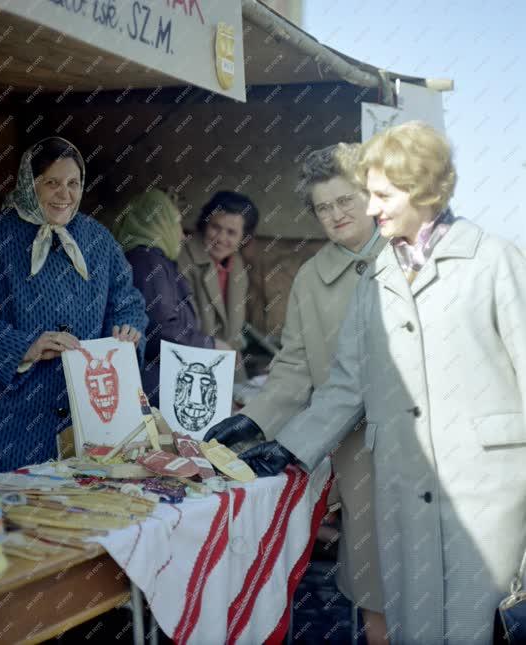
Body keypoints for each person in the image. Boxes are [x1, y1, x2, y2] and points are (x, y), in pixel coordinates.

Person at [235, 121, 526, 644]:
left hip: (487, 495)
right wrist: (286, 447)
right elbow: (348, 382)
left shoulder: (496, 262)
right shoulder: (380, 278)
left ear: (420, 189)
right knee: (408, 625)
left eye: (378, 195)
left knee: (478, 627)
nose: (367, 210)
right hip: (398, 487)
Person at [204, 144, 388, 643]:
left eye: (345, 200)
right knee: (375, 592)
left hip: (424, 450)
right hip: (356, 456)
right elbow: (293, 371)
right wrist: (254, 421)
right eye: (324, 208)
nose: (336, 215)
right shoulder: (311, 278)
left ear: (370, 195)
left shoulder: (408, 259)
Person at [0, 137, 147, 472]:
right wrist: (25, 346)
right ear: (29, 183)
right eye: (51, 182)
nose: (65, 195)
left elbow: (127, 300)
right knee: (13, 515)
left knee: (75, 515)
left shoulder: (97, 239)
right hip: (7, 419)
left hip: (83, 414)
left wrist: (128, 329)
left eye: (73, 183)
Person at [113, 189, 230, 407]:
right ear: (158, 223)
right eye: (175, 223)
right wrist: (211, 345)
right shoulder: (148, 261)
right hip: (155, 390)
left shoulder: (150, 260)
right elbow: (160, 330)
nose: (181, 234)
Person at [177, 191, 259, 352]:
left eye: (231, 232)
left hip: (225, 356)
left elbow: (233, 332)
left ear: (244, 238)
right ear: (204, 224)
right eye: (215, 227)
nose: (220, 238)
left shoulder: (237, 263)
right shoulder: (182, 258)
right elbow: (185, 328)